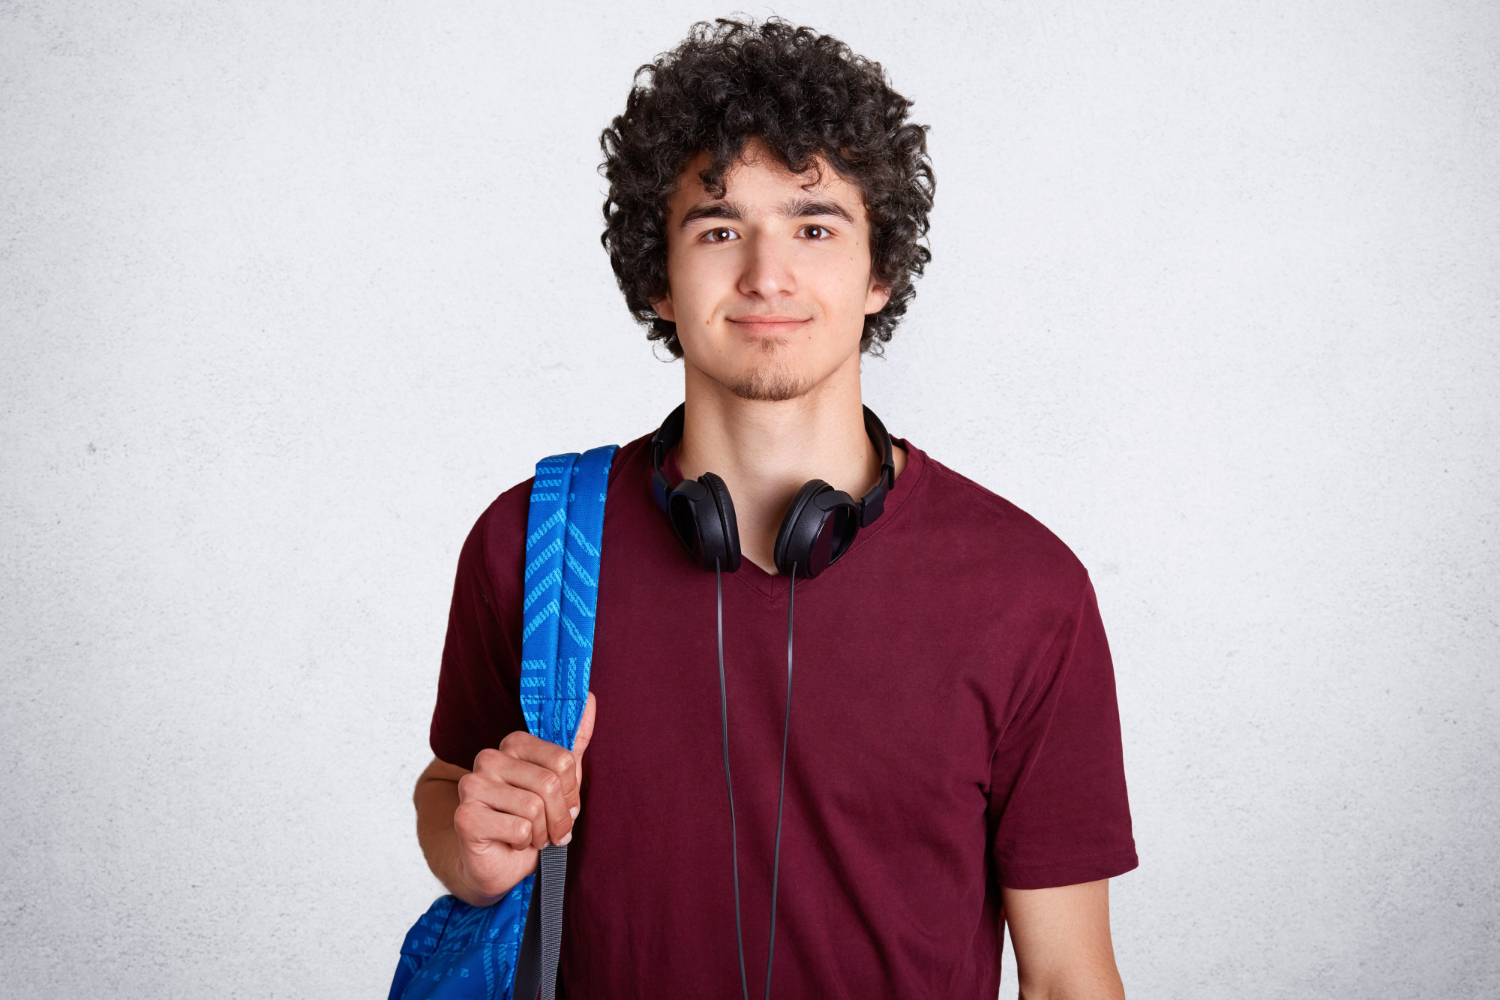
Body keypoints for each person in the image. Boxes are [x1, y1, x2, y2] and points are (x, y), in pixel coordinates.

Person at [413, 17, 1137, 999]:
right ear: (659, 278)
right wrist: (477, 853)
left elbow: (1067, 980)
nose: (766, 275)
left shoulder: (1028, 593)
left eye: (814, 226)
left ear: (879, 272)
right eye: (719, 229)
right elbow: (450, 790)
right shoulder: (533, 545)